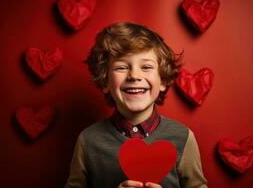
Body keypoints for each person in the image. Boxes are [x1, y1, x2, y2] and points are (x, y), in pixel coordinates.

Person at [65, 22, 208, 188]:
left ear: (163, 80)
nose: (134, 75)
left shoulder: (183, 137)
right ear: (105, 82)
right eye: (122, 67)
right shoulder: (88, 140)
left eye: (146, 66)